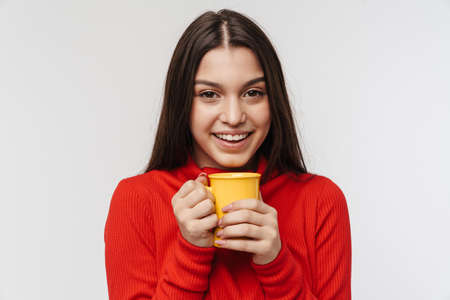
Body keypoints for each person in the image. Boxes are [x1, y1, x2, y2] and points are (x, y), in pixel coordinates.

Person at [104, 9, 351, 300]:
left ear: (275, 100)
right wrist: (190, 249)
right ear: (183, 102)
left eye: (253, 93)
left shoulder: (321, 200)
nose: (234, 117)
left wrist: (275, 262)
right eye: (209, 94)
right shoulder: (137, 200)